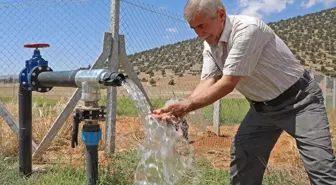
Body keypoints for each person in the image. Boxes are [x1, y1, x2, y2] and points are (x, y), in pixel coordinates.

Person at [152, 0, 336, 184]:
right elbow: (209, 80)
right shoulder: (210, 43)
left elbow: (228, 83)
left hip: (300, 101)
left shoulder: (248, 30)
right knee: (244, 160)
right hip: (262, 109)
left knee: (321, 168)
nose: (199, 34)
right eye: (194, 28)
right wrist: (179, 108)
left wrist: (186, 106)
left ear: (221, 15)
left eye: (202, 26)